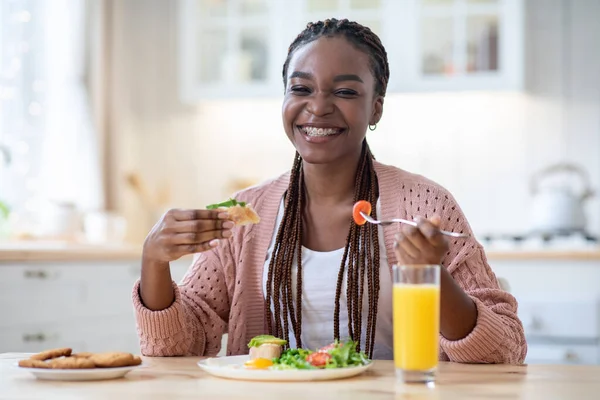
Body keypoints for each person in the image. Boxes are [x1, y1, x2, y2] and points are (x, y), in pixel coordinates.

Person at [133, 18, 526, 363]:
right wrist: (154, 261)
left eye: (345, 92)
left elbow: (504, 349)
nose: (318, 107)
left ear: (376, 108)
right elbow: (175, 347)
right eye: (301, 88)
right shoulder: (246, 214)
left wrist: (432, 278)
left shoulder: (422, 205)